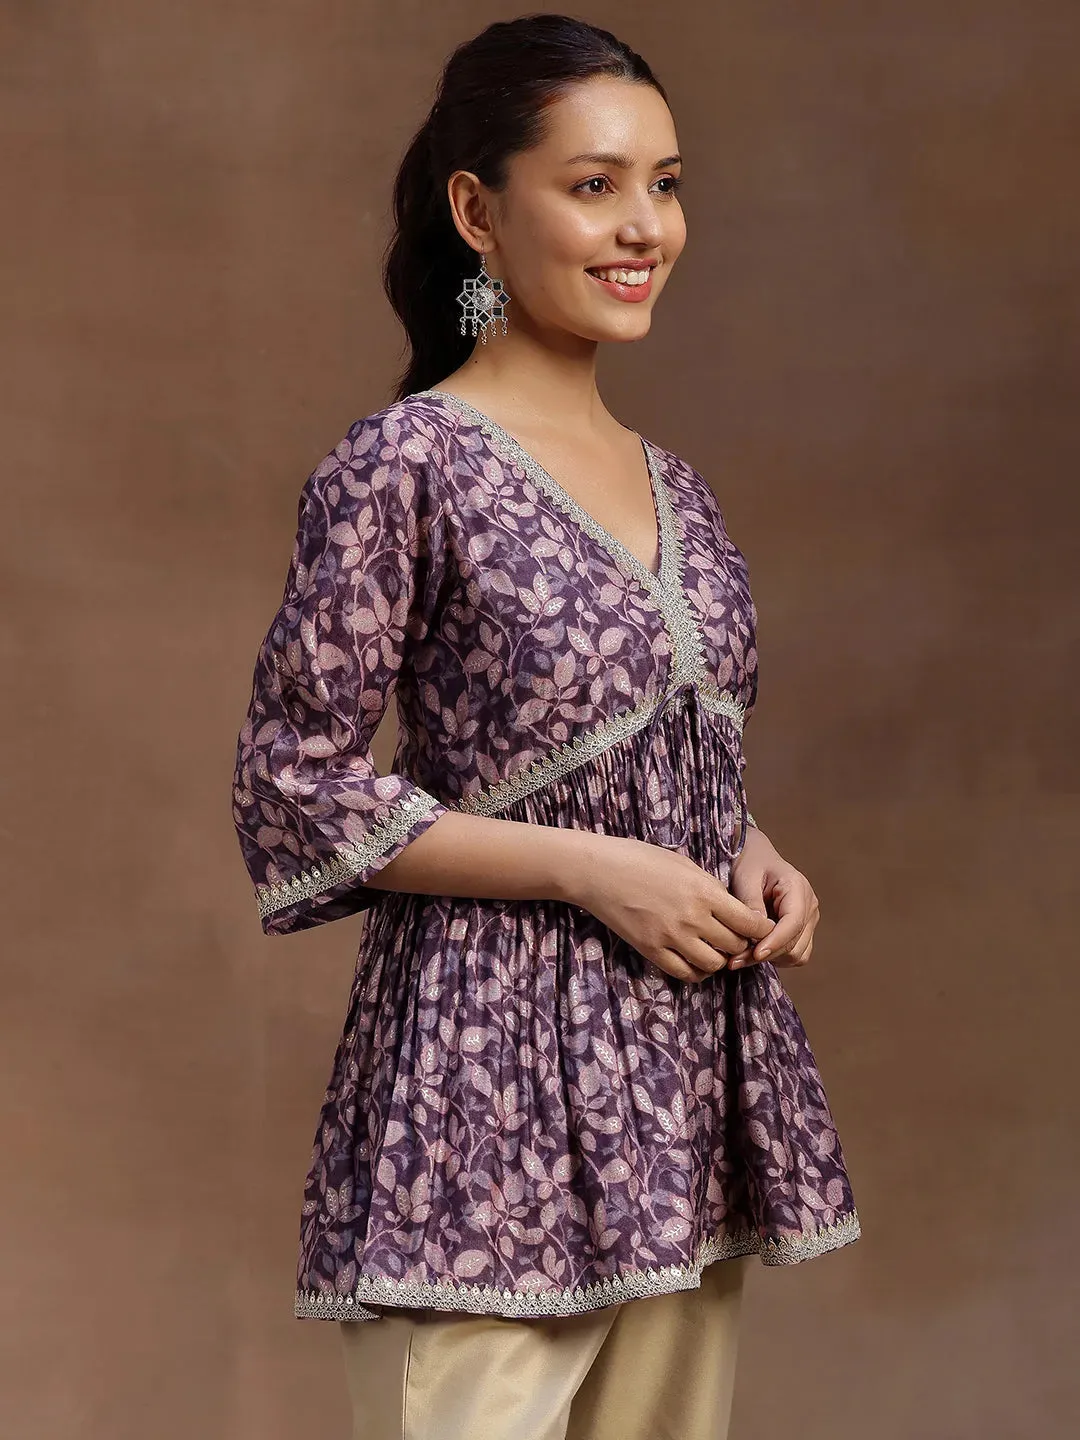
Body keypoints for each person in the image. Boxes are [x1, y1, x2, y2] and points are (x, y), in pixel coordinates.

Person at [231, 14, 861, 1439]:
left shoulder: (676, 486)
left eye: (666, 185)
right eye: (594, 186)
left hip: (681, 1095)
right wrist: (591, 870)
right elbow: (295, 785)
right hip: (482, 1095)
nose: (645, 228)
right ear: (477, 210)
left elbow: (640, 749)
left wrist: (746, 848)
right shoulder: (406, 464)